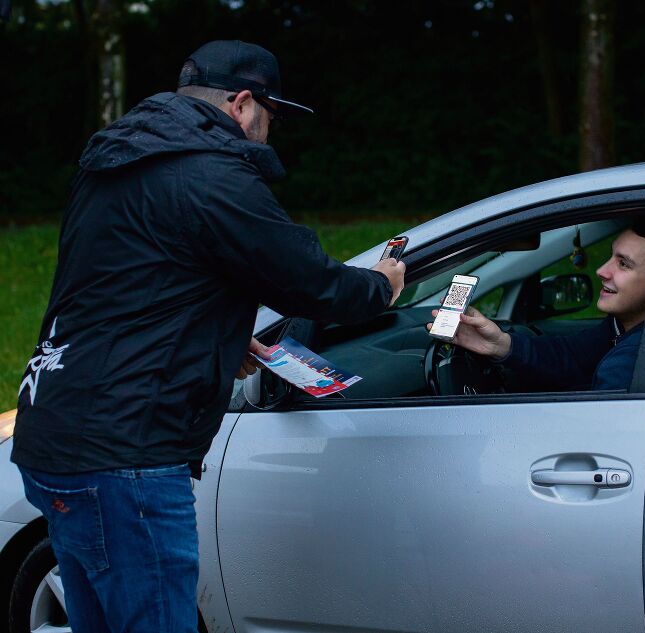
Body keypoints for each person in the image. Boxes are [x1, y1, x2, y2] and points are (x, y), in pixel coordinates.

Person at [11, 40, 405, 633]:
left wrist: (214, 335)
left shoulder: (114, 159)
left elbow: (122, 285)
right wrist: (380, 284)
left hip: (54, 431)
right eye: (272, 118)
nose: (270, 135)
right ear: (243, 103)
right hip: (128, 454)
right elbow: (310, 283)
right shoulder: (212, 174)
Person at [429, 217, 645, 391]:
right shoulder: (621, 328)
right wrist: (500, 344)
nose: (601, 271)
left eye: (624, 264)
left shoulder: (630, 365)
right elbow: (571, 357)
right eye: (611, 257)